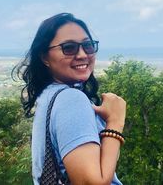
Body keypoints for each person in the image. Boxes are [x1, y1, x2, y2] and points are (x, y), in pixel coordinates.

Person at [14, 13, 126, 184]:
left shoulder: (48, 95)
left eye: (87, 45)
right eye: (69, 47)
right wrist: (115, 122)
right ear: (45, 57)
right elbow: (91, 182)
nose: (82, 54)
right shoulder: (71, 99)